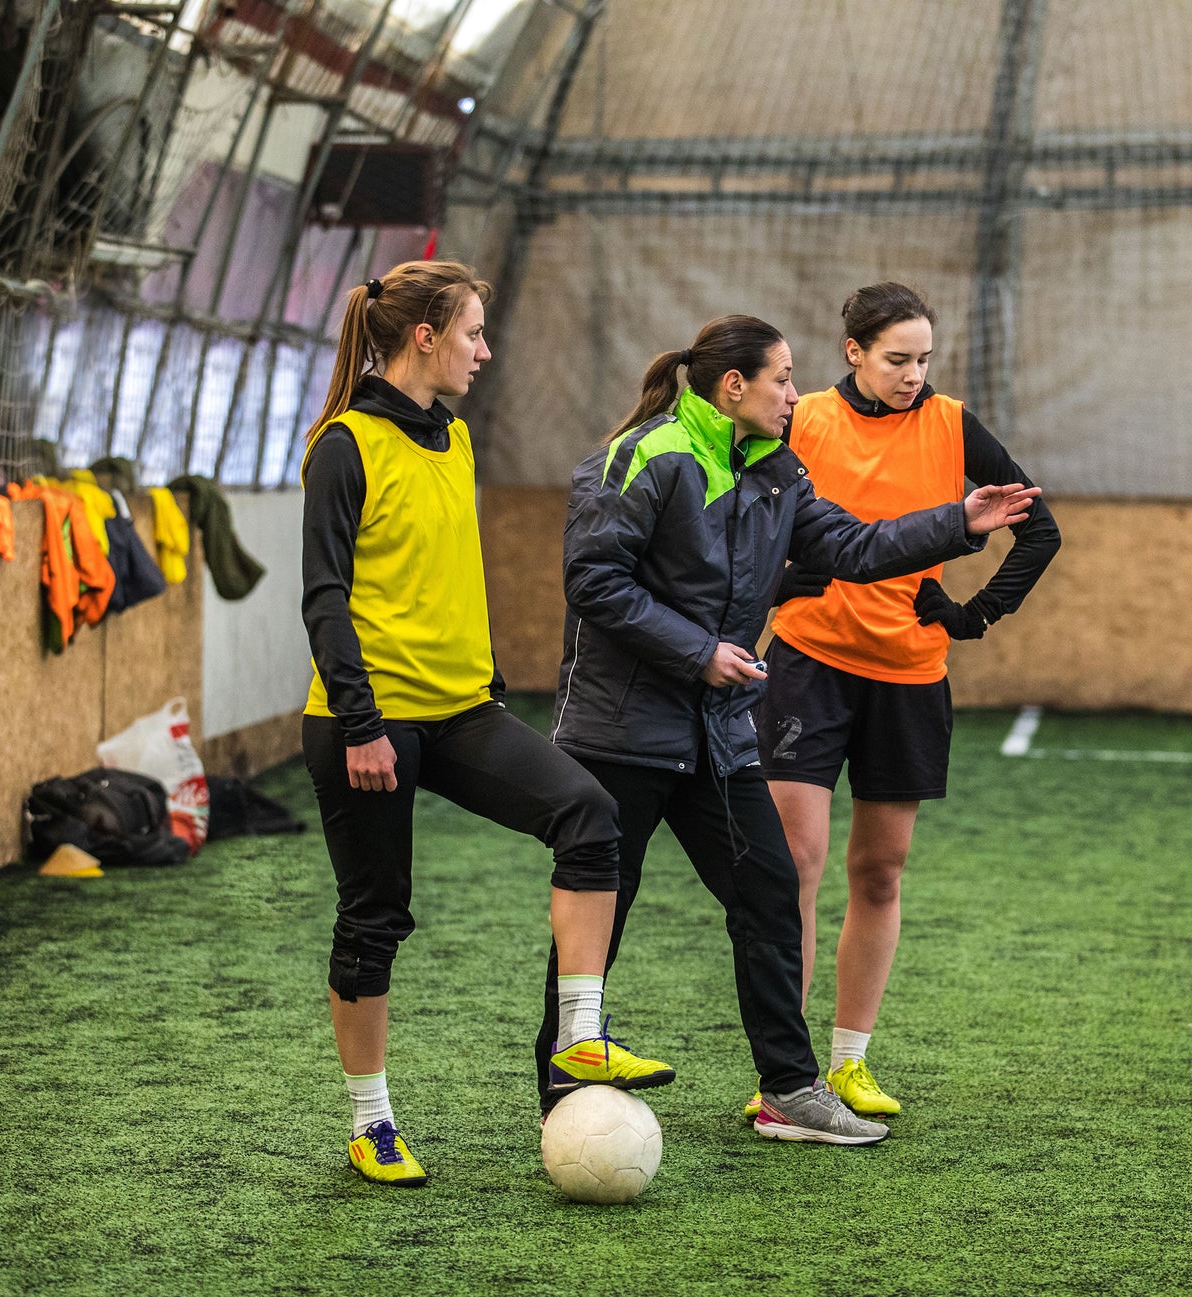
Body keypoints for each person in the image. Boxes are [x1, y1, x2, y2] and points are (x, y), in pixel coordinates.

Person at [533, 314, 1041, 1144]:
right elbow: (593, 581)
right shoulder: (644, 455)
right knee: (600, 909)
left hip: (721, 736)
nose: (794, 395)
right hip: (620, 733)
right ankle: (561, 1091)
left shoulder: (777, 471)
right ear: (734, 387)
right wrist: (701, 654)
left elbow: (854, 544)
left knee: (768, 893)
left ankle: (789, 1089)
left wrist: (959, 521)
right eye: (781, 378)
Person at [299, 260, 670, 1188]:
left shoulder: (454, 438)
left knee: (590, 817)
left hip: (464, 710)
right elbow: (324, 601)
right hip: (367, 723)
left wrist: (491, 685)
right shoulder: (342, 445)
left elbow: (446, 570)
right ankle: (371, 1121)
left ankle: (582, 1035)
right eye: (472, 332)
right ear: (423, 336)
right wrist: (360, 723)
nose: (484, 350)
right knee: (374, 917)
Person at [755, 282, 1061, 1120]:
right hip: (807, 667)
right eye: (897, 358)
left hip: (909, 677)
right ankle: (789, 1070)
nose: (914, 374)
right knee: (796, 866)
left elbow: (1040, 527)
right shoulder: (802, 417)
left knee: (879, 871)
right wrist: (778, 585)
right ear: (852, 351)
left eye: (925, 358)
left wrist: (972, 616)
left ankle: (852, 1060)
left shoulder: (953, 422)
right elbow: (745, 517)